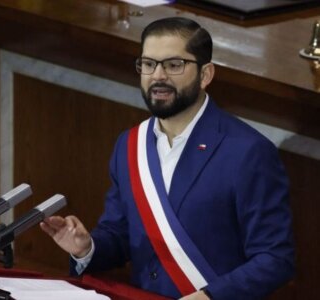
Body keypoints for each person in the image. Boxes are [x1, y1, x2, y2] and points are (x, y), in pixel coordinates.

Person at [40, 17, 295, 300]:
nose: (158, 76)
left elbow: (275, 259)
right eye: (148, 64)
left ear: (205, 74)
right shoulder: (129, 144)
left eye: (174, 65)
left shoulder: (248, 152)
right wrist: (86, 248)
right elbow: (122, 236)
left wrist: (211, 297)